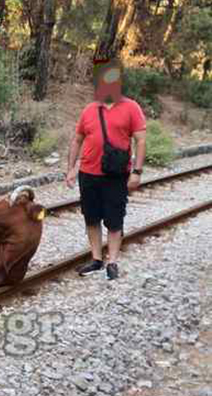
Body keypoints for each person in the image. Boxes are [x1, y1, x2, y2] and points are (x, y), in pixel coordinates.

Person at [65, 58, 147, 280]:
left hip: (116, 175)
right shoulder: (89, 110)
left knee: (114, 219)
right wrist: (71, 168)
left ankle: (112, 261)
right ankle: (96, 259)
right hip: (88, 174)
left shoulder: (132, 108)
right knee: (91, 218)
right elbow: (77, 140)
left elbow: (140, 140)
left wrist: (137, 172)